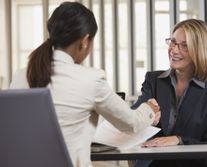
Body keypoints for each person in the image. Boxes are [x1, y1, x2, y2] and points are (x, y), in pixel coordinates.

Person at [9, 2, 160, 167]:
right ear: (85, 41)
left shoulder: (21, 75)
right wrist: (148, 110)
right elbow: (132, 123)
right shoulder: (91, 79)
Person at [132, 19, 207, 167]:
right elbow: (130, 123)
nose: (174, 50)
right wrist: (144, 111)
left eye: (184, 45)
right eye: (173, 42)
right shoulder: (153, 81)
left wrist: (180, 140)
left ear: (200, 50)